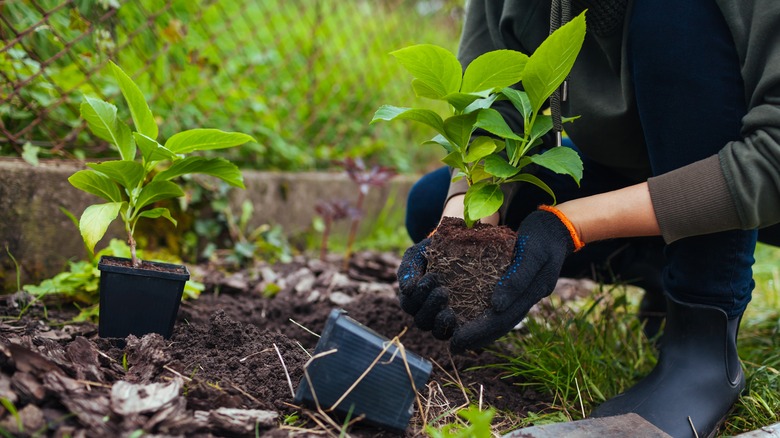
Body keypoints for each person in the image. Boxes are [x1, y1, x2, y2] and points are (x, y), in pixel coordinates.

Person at [396, 0, 780, 437]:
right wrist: (463, 230)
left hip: (759, 169)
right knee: (434, 204)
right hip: (646, 169)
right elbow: (493, 106)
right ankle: (665, 263)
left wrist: (570, 225)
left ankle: (703, 344)